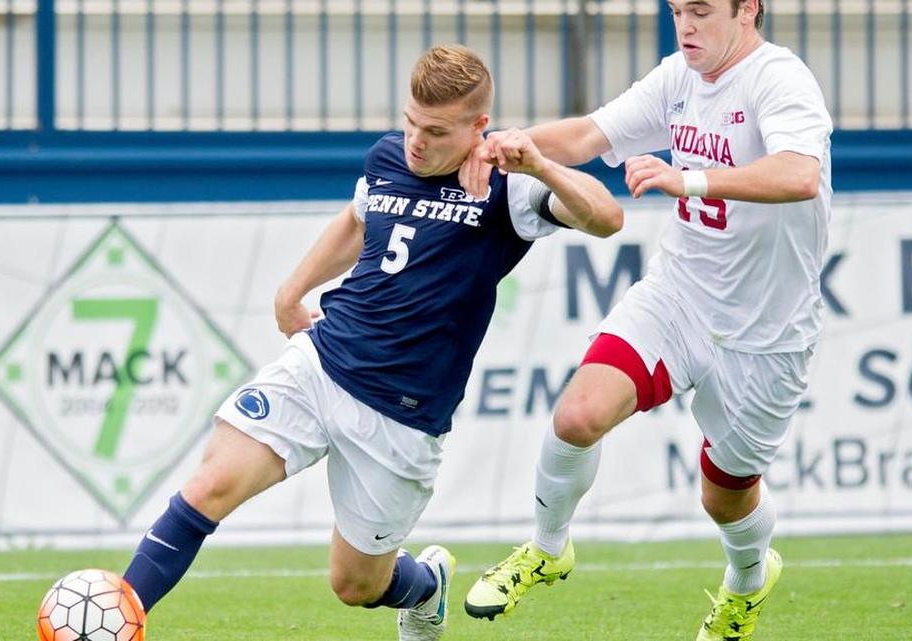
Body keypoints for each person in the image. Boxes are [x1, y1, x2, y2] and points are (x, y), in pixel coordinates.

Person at [120, 44, 623, 640]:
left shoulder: (507, 188)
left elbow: (606, 217)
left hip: (403, 414)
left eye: (436, 132)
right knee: (209, 486)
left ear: (478, 127)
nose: (416, 142)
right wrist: (292, 291)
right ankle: (118, 617)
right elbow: (357, 221)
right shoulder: (387, 156)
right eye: (411, 122)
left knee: (355, 585)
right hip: (322, 362)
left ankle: (427, 585)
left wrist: (539, 166)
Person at [459, 1, 832, 639]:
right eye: (677, 10)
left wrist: (689, 180)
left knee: (725, 493)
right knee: (577, 416)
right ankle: (547, 548)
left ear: (748, 9)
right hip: (679, 297)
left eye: (701, 11)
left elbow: (799, 175)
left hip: (767, 333)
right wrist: (499, 146)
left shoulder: (779, 78)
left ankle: (746, 582)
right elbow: (588, 135)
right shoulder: (676, 77)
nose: (685, 25)